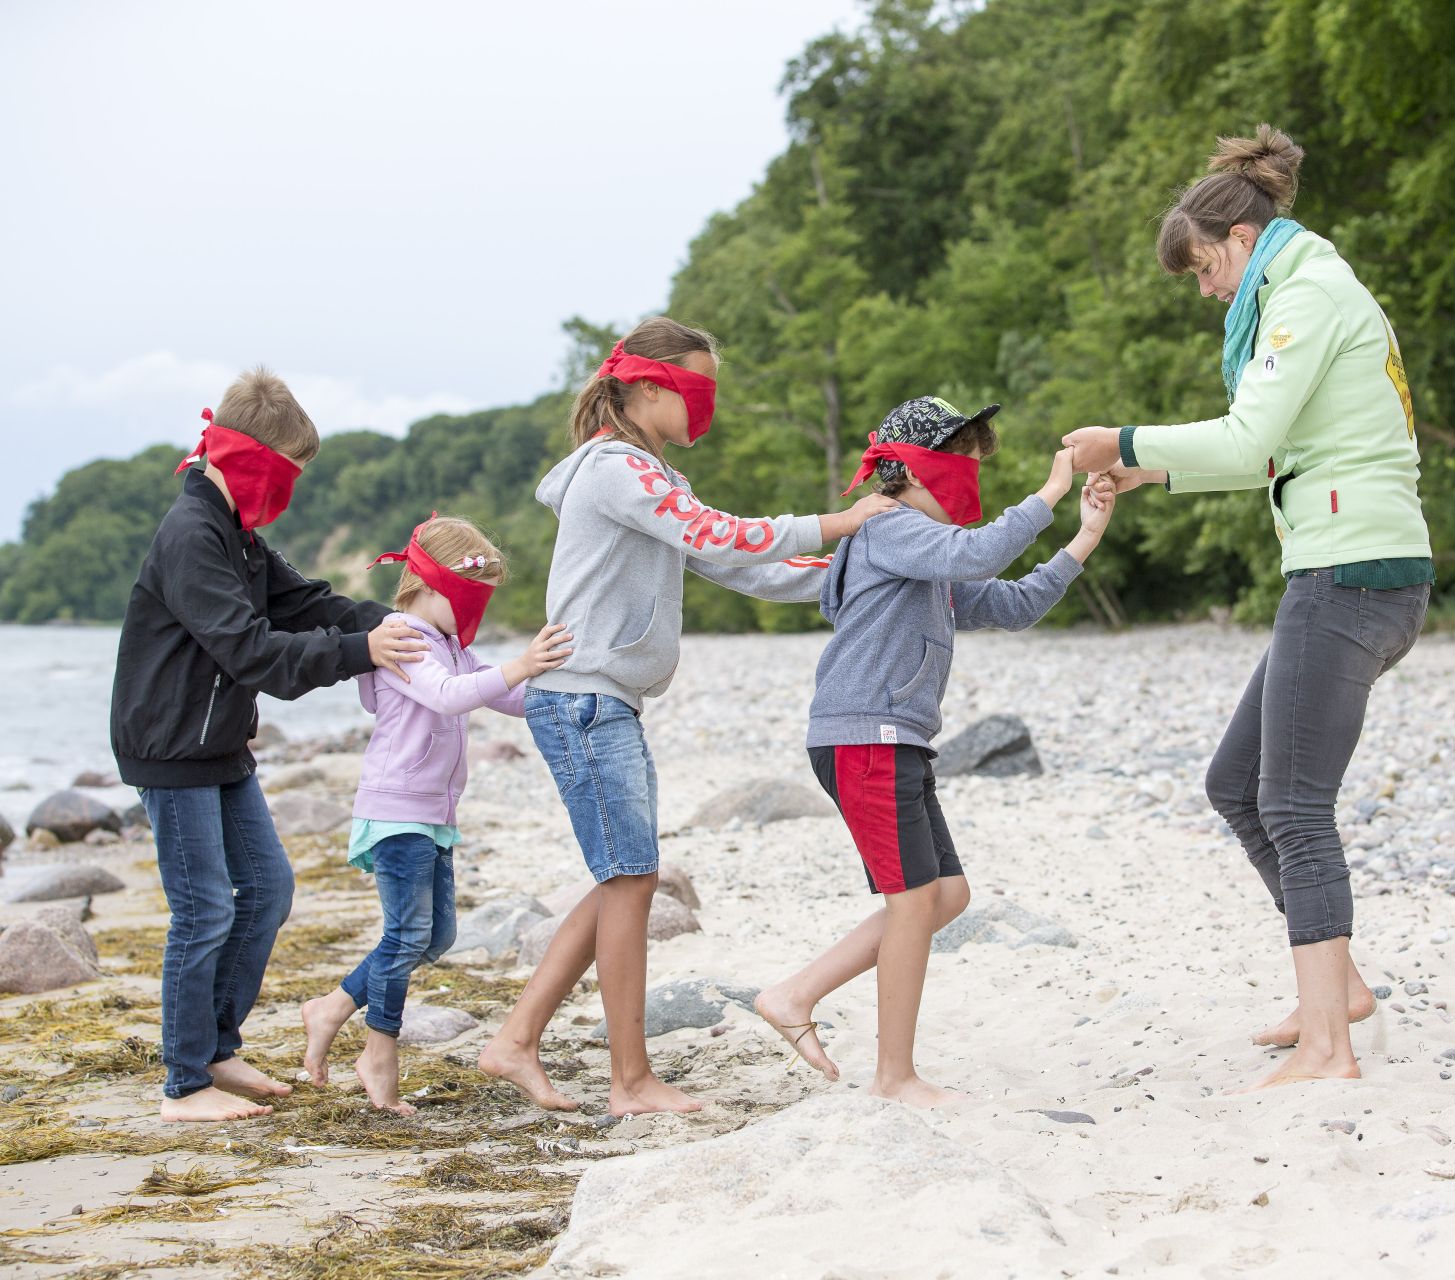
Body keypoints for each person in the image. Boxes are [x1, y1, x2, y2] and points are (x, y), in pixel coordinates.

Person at [1063, 125, 1432, 1091]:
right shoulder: (1297, 285)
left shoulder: (1305, 292)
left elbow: (1245, 437)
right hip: (1344, 561)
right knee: (1237, 785)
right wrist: (1149, 472)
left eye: (1202, 269)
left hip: (1352, 568)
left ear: (1237, 236)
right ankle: (1337, 993)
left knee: (1294, 806)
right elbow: (1276, 452)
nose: (1205, 290)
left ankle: (1329, 1049)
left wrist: (1117, 437)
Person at [476, 316, 898, 1117]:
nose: (707, 407)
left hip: (604, 700)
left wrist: (864, 569)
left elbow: (739, 561)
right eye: (696, 388)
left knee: (621, 878)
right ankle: (629, 1080)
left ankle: (517, 1040)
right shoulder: (613, 472)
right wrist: (843, 521)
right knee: (630, 878)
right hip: (582, 700)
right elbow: (721, 533)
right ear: (642, 387)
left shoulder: (653, 476)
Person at [756, 396, 1114, 1107]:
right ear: (914, 469)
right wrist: (1050, 491)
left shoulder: (928, 556)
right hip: (865, 736)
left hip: (899, 741)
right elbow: (980, 550)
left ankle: (794, 994)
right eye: (964, 465)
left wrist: (1086, 535)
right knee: (915, 902)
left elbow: (1011, 603)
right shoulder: (892, 528)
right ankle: (894, 1078)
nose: (971, 482)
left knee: (947, 895)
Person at [110, 368, 429, 1122]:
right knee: (203, 910)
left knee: (268, 890)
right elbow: (252, 653)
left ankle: (216, 1048)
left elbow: (310, 603)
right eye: (286, 473)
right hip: (170, 747)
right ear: (246, 456)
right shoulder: (192, 535)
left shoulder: (239, 536)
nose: (288, 491)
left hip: (217, 743)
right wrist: (365, 652)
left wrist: (405, 627)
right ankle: (183, 1084)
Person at [299, 514, 572, 1113]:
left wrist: (568, 693)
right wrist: (521, 662)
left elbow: (503, 694)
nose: (473, 615)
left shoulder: (449, 644)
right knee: (406, 934)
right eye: (470, 598)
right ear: (430, 585)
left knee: (434, 936)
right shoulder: (404, 637)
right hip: (396, 809)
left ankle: (333, 1007)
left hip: (434, 813)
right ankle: (378, 1054)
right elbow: (448, 694)